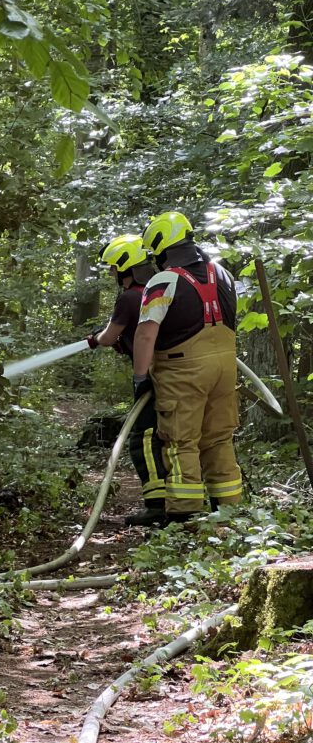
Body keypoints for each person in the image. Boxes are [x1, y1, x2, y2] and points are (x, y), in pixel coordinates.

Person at [133, 211, 242, 523]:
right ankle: (229, 511)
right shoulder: (222, 273)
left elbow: (145, 333)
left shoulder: (163, 281)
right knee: (219, 438)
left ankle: (185, 515)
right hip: (225, 368)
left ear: (162, 247)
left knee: (182, 441)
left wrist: (141, 376)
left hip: (182, 373)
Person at [87, 234, 167, 526]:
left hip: (150, 377)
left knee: (143, 439)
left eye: (112, 267)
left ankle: (157, 505)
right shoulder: (157, 290)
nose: (111, 272)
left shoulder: (130, 297)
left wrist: (96, 339)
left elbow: (108, 336)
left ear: (125, 266)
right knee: (172, 435)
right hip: (174, 373)